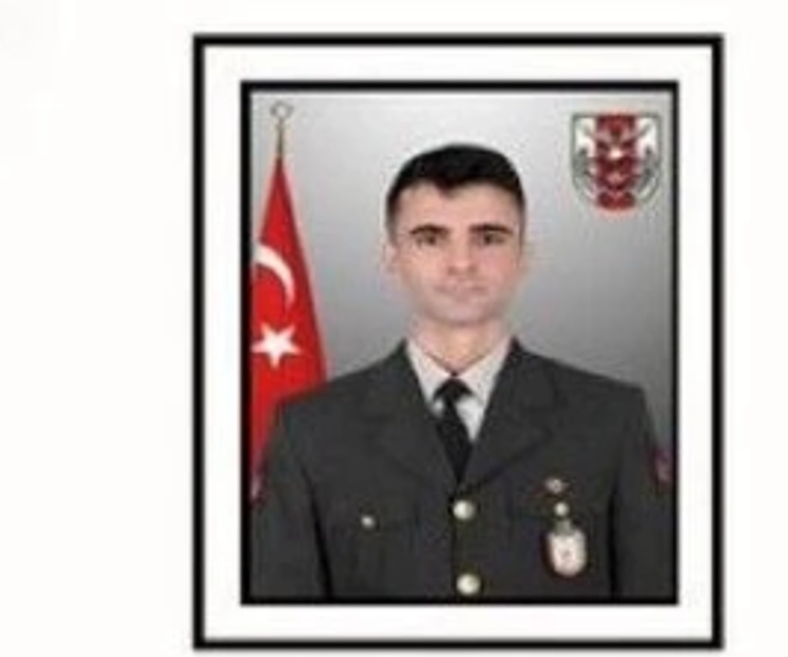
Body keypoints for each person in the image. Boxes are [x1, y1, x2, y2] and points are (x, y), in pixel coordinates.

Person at [251, 144, 674, 601]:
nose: (461, 263)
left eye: (488, 238)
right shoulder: (311, 431)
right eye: (430, 238)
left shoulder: (610, 420)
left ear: (524, 256)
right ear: (391, 257)